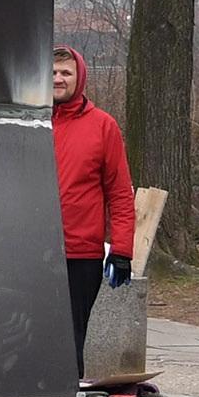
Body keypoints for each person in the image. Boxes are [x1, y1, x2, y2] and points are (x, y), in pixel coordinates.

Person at [50, 45, 135, 364]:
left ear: (80, 77)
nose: (58, 79)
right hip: (30, 253)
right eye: (52, 73)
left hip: (80, 254)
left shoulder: (103, 126)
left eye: (66, 73)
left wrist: (123, 250)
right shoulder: (29, 122)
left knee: (71, 339)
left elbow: (120, 193)